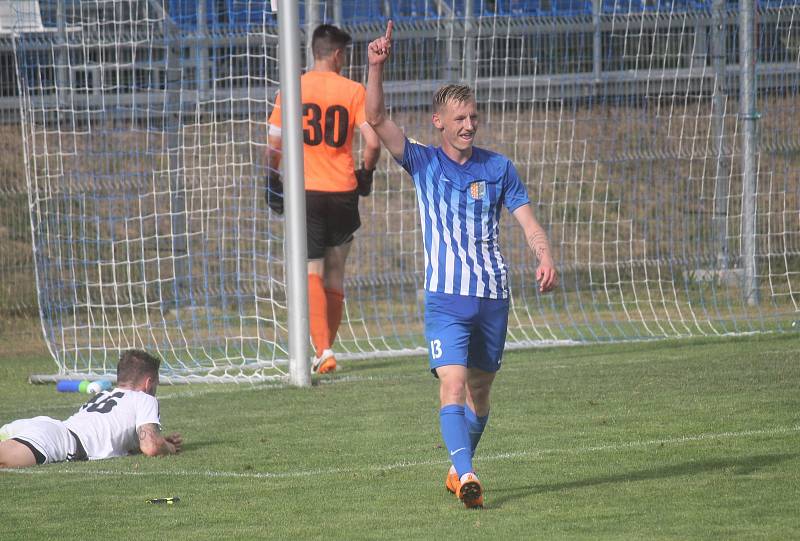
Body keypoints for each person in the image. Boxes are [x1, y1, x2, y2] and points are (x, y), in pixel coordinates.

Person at [365, 22, 558, 509]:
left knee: (481, 394)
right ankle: (469, 473)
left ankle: (457, 469)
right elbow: (376, 116)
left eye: (473, 116)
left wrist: (544, 254)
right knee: (451, 384)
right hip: (446, 299)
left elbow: (527, 220)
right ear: (438, 122)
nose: (468, 125)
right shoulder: (422, 162)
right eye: (459, 118)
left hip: (493, 295)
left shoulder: (499, 168)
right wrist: (376, 66)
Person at [266, 24, 381, 374]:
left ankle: (324, 350)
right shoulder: (353, 90)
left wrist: (272, 178)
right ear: (337, 54)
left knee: (310, 270)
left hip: (307, 192)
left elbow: (273, 142)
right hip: (343, 190)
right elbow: (373, 143)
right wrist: (366, 172)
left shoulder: (292, 88)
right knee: (335, 274)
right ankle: (324, 350)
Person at [0, 349, 182, 468]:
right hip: (58, 441)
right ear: (148, 383)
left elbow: (132, 439)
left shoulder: (105, 394)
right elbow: (151, 447)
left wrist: (158, 440)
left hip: (46, 427)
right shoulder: (144, 398)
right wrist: (167, 447)